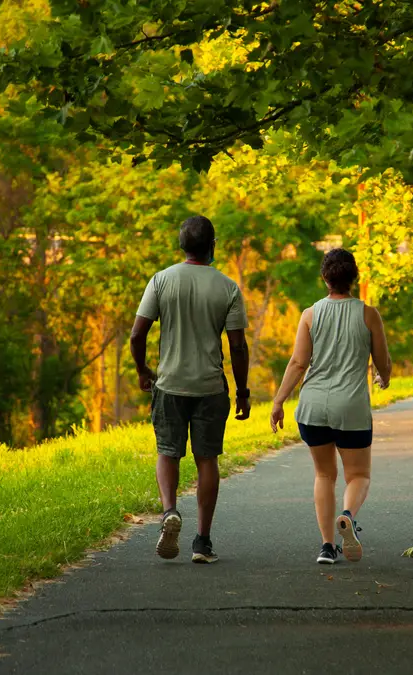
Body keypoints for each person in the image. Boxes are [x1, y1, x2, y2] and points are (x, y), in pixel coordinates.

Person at [130, 215, 251, 565]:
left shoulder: (161, 281)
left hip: (169, 384)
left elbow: (138, 334)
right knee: (206, 459)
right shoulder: (228, 287)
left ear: (182, 246)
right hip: (210, 387)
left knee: (168, 452)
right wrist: (242, 391)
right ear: (212, 246)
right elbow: (238, 346)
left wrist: (143, 370)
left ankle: (170, 511)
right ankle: (202, 541)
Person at [270, 248, 391, 564]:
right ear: (355, 278)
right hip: (350, 408)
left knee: (324, 475)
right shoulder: (368, 315)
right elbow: (383, 361)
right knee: (359, 475)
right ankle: (347, 516)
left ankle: (326, 547)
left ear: (325, 278)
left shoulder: (310, 314)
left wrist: (279, 400)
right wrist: (385, 377)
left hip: (313, 408)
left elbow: (298, 363)